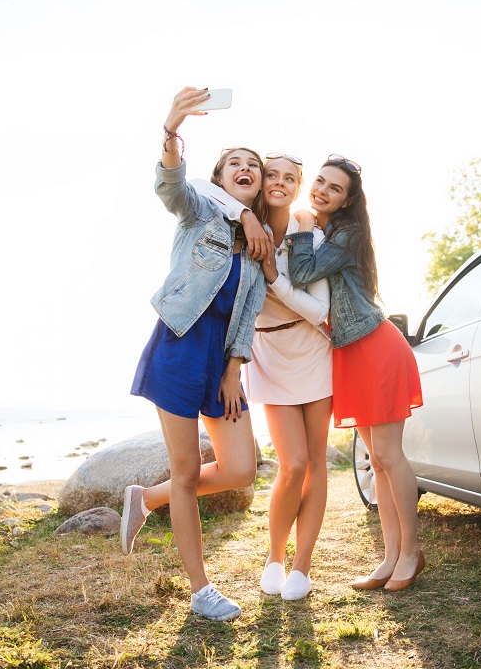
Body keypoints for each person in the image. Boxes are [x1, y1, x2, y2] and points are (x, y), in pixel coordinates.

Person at [118, 86, 267, 622]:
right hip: (180, 346)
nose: (245, 168)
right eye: (235, 163)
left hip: (221, 360)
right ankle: (201, 591)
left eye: (254, 164)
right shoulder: (200, 210)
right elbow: (172, 185)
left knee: (242, 470)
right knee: (187, 471)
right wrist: (172, 129)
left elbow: (247, 313)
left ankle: (147, 498)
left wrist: (234, 370)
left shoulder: (260, 241)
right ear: (221, 177)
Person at [194, 154, 332, 601]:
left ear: (297, 187)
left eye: (290, 178)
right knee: (291, 466)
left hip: (312, 349)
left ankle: (302, 566)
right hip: (267, 353)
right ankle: (274, 555)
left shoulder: (308, 230)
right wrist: (247, 215)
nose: (278, 182)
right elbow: (197, 184)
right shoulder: (235, 221)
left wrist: (274, 277)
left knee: (315, 465)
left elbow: (319, 311)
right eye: (272, 174)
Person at [285, 155, 425, 592]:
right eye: (320, 182)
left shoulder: (346, 233)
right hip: (350, 352)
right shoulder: (330, 231)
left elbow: (303, 271)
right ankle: (388, 557)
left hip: (376, 347)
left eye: (334, 189)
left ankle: (411, 552)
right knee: (376, 462)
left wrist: (304, 227)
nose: (322, 190)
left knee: (388, 455)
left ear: (346, 201)